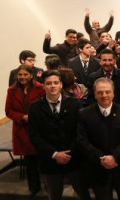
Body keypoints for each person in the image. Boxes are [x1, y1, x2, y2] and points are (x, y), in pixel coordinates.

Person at [28, 70, 91, 200]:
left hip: (73, 158)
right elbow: (34, 136)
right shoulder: (35, 107)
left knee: (84, 194)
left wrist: (69, 152)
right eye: (49, 83)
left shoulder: (74, 104)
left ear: (61, 84)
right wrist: (54, 154)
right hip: (49, 160)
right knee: (54, 195)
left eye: (56, 82)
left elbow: (81, 131)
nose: (52, 86)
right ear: (44, 86)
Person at [76, 77, 120, 200]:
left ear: (113, 93)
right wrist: (101, 158)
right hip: (97, 168)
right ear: (95, 94)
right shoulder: (84, 114)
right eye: (100, 92)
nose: (104, 95)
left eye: (107, 92)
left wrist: (114, 157)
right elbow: (82, 140)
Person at [5, 65, 45, 198]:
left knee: (43, 159)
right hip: (22, 130)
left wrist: (34, 117)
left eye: (25, 74)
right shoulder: (11, 90)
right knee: (30, 161)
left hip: (40, 128)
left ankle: (48, 186)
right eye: (20, 75)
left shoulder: (40, 87)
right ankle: (34, 188)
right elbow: (8, 111)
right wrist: (22, 117)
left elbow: (45, 106)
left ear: (31, 75)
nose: (22, 77)